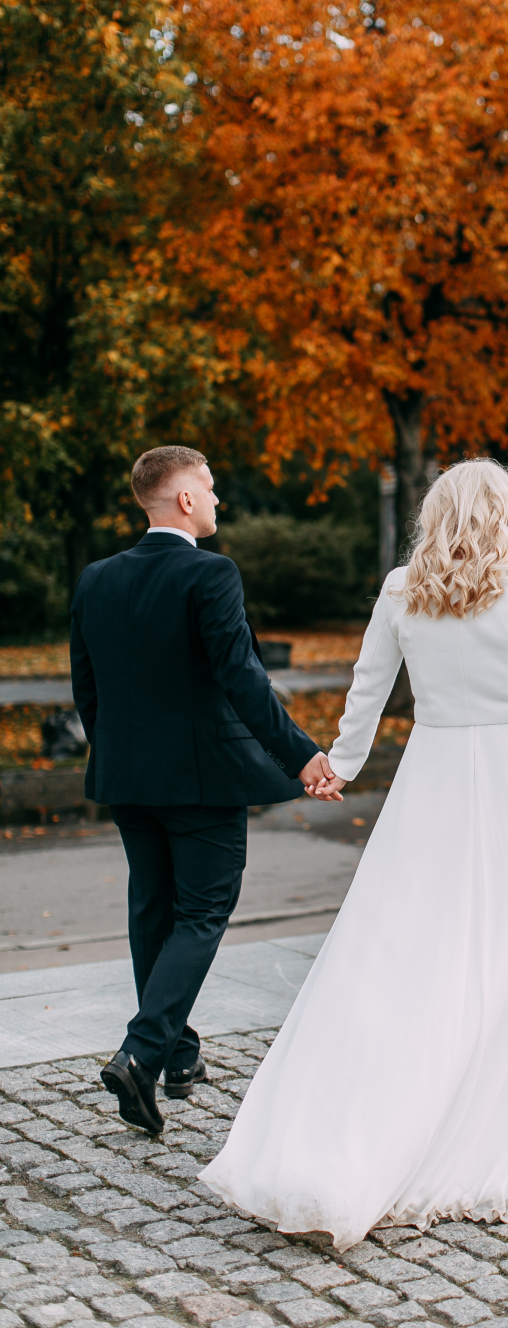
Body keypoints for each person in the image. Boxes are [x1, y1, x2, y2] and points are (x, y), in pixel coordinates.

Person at [199, 459, 508, 1244]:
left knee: (409, 946)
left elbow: (368, 685)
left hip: (432, 780)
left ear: (434, 516)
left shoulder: (403, 587)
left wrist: (340, 762)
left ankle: (365, 1120)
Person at [70, 445, 336, 1135]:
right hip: (201, 783)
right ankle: (141, 1052)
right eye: (211, 489)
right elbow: (242, 677)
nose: (218, 501)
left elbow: (87, 687)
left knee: (153, 912)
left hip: (127, 778)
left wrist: (119, 756)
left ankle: (179, 1054)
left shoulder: (96, 579)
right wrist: (302, 755)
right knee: (202, 912)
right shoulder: (210, 574)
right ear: (184, 499)